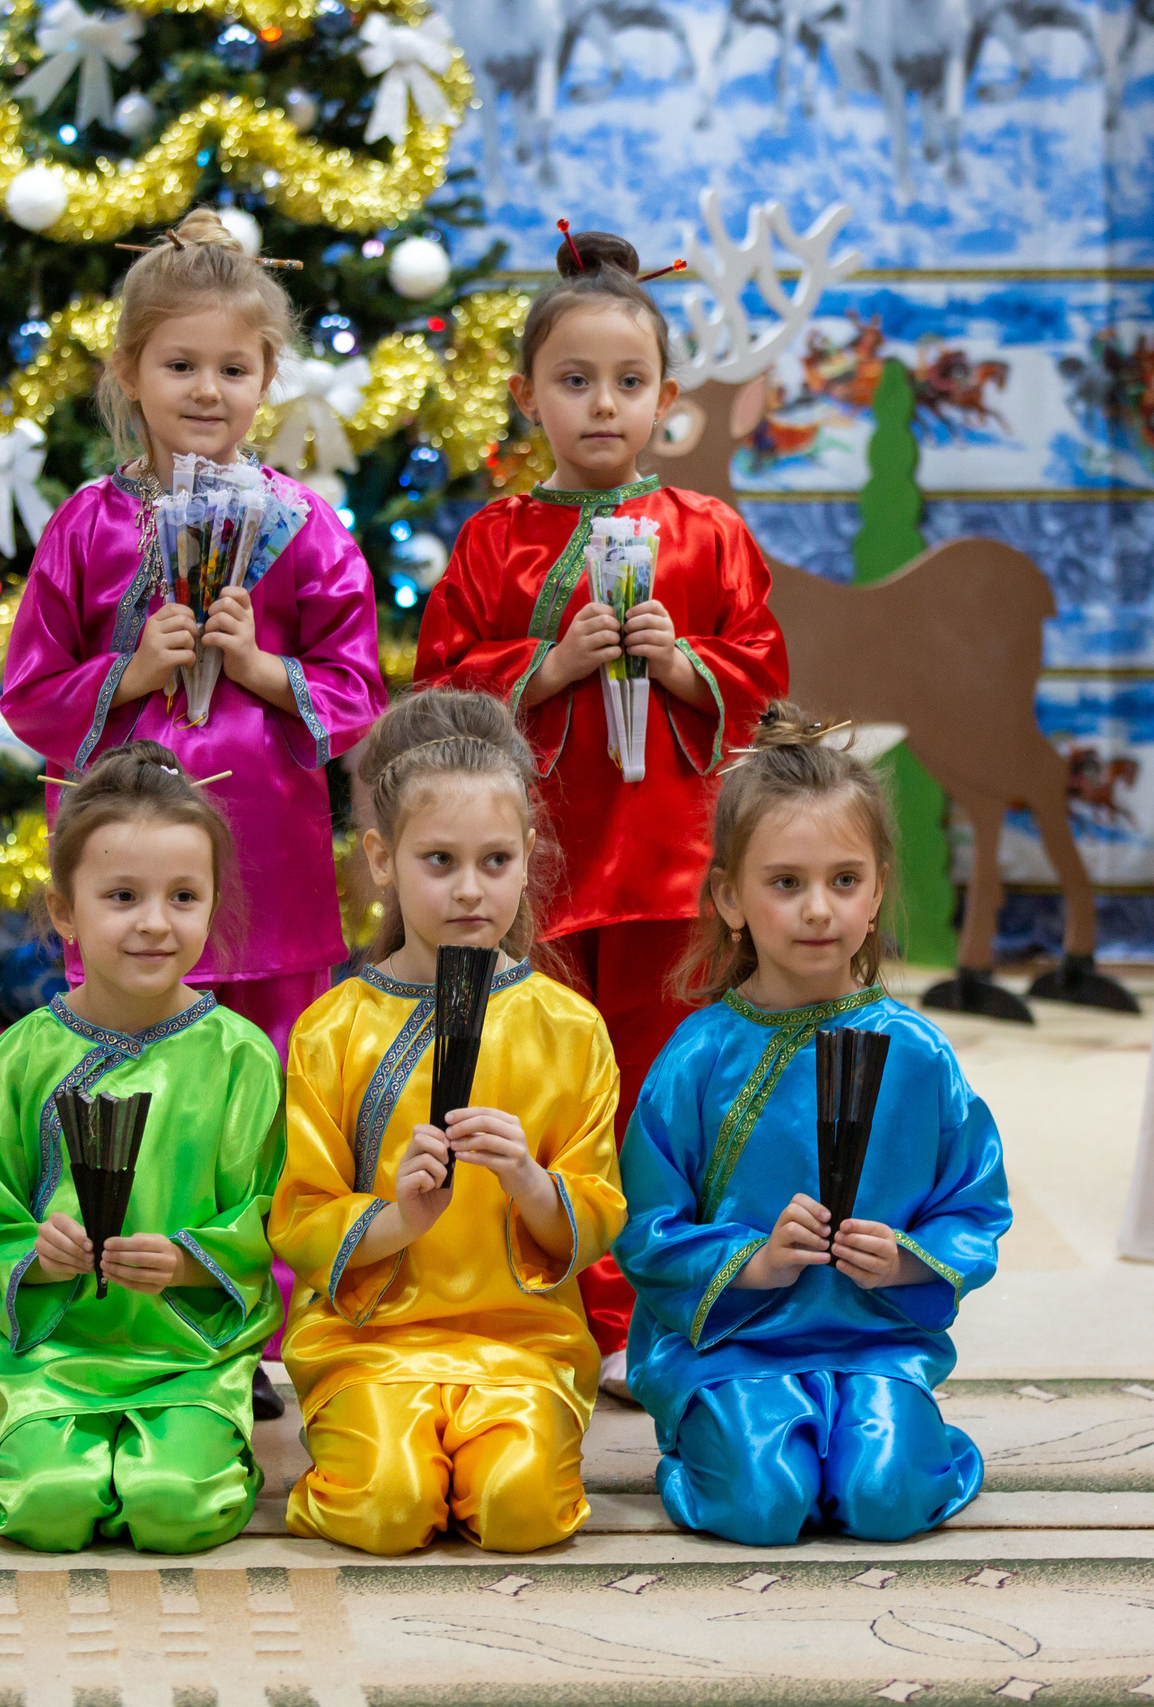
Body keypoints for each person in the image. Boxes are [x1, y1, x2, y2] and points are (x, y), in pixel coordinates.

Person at [414, 223, 788, 1364]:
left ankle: (658, 1308)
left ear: (667, 396)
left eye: (627, 383)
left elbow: (764, 671)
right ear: (529, 396)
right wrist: (544, 665)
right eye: (574, 383)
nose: (602, 406)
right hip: (543, 878)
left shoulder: (707, 534)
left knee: (670, 1096)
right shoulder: (495, 542)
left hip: (672, 871)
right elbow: (434, 693)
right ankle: (543, 1292)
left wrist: (682, 664)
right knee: (541, 1088)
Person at [613, 705, 1010, 1546]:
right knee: (763, 1505)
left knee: (884, 1501)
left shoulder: (919, 1055)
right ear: (729, 895)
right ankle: (705, 1446)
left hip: (874, 1345)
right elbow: (643, 1230)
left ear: (876, 891)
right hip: (736, 1348)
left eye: (844, 880)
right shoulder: (696, 1058)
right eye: (785, 882)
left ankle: (910, 1444)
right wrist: (749, 1261)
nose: (818, 909)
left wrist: (908, 1257)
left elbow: (976, 1205)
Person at [0, 205, 389, 1058]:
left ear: (265, 376)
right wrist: (130, 674)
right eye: (180, 364)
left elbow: (356, 692)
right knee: (126, 1055)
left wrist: (258, 667)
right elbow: (27, 696)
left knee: (271, 1068)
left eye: (232, 368)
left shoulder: (306, 525)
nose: (207, 389)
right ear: (130, 372)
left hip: (267, 852)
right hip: (125, 850)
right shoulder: (85, 526)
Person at [270, 690, 625, 1555]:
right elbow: (299, 1214)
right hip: (373, 1342)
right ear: (384, 860)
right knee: (387, 1511)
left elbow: (597, 1213)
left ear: (527, 855)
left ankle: (483, 1461)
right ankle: (392, 1461)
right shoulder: (334, 1029)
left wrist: (529, 1182)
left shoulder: (570, 1030)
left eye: (496, 860)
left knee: (521, 1513)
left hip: (520, 1342)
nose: (471, 889)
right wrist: (399, 1217)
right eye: (439, 860)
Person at [0, 742, 284, 1553]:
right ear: (66, 909)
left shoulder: (240, 1058)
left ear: (211, 903)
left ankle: (192, 1443)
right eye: (123, 895)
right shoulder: (23, 1056)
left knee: (174, 1508)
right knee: (47, 1509)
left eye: (183, 896)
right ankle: (68, 1449)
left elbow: (270, 1211)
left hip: (187, 1353)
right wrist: (39, 1248)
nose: (155, 923)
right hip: (59, 1353)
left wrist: (188, 1259)